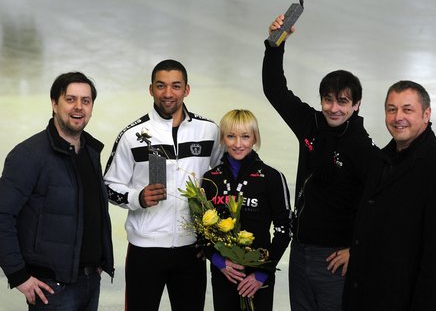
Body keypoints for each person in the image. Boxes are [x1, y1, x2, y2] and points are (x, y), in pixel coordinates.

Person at [262, 15, 380, 311]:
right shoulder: (311, 124)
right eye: (328, 100)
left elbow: (382, 203)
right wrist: (275, 44)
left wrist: (358, 250)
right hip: (300, 254)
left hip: (334, 261)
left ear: (357, 105)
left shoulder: (363, 149)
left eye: (342, 101)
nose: (334, 108)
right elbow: (275, 90)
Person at [104, 59, 223, 311]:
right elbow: (108, 186)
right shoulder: (132, 136)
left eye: (175, 86)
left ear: (186, 90)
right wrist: (138, 197)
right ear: (151, 89)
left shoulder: (209, 132)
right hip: (146, 249)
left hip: (192, 251)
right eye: (161, 86)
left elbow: (222, 181)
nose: (168, 93)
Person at [343, 81, 436, 311]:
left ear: (426, 114)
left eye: (407, 109)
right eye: (391, 109)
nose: (398, 117)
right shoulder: (382, 161)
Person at [0, 72, 114, 310]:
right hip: (52, 287)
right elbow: (2, 215)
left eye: (86, 101)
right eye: (70, 99)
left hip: (90, 280)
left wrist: (101, 259)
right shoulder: (28, 155)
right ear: (54, 103)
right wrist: (18, 275)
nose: (79, 107)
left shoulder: (90, 152)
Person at [201, 109, 292, 311]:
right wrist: (219, 262)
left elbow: (284, 231)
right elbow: (201, 230)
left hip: (258, 279)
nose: (238, 143)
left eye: (245, 136)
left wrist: (262, 274)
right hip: (224, 274)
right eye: (231, 136)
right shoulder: (210, 178)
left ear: (255, 138)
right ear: (223, 138)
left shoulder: (272, 177)